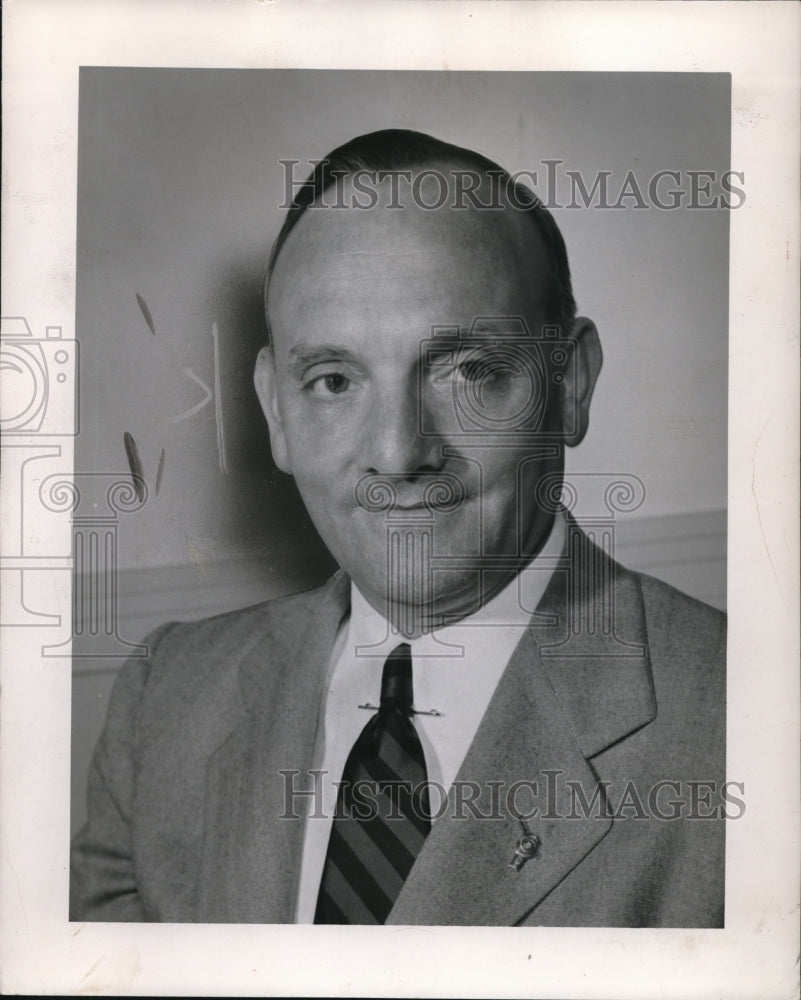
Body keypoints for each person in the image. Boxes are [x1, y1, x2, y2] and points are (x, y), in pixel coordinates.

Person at [70, 129, 726, 926]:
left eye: (469, 371)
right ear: (276, 408)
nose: (397, 453)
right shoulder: (167, 696)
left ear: (570, 384)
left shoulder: (748, 725)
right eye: (335, 380)